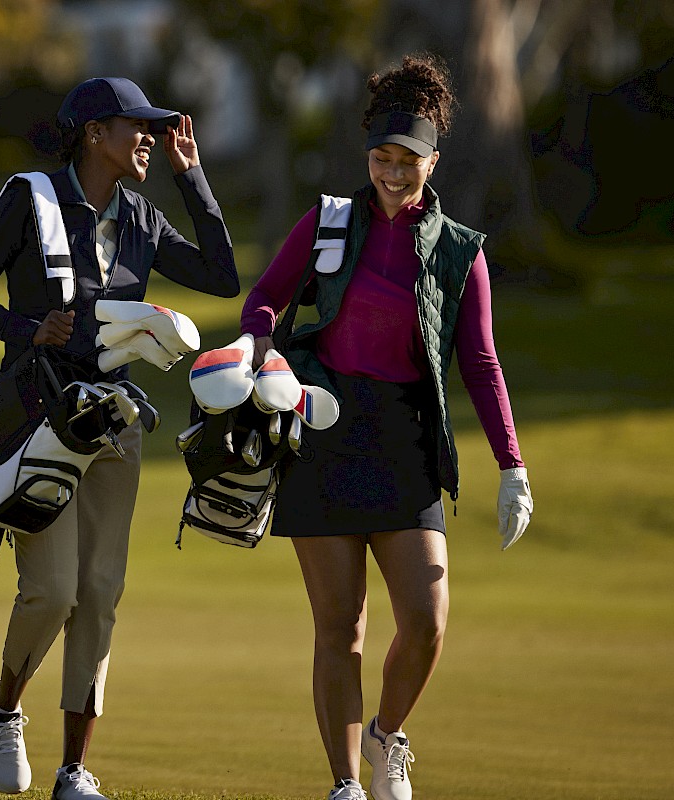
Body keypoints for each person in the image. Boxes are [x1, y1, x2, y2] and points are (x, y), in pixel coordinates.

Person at [239, 54, 533, 800]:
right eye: (382, 158)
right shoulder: (329, 222)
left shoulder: (460, 252)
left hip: (405, 441)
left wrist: (512, 466)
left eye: (410, 161)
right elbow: (267, 298)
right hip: (324, 429)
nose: (394, 174)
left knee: (428, 619)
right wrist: (262, 346)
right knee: (341, 630)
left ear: (433, 162)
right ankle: (345, 785)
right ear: (367, 153)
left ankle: (386, 737)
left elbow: (482, 362)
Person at [0, 77, 239, 800]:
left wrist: (192, 175)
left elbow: (223, 275)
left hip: (115, 423)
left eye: (153, 127)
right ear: (92, 134)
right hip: (35, 419)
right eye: (134, 126)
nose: (148, 136)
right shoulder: (31, 198)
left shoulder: (142, 215)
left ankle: (74, 769)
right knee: (51, 592)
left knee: (99, 592)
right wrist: (27, 330)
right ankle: (5, 706)